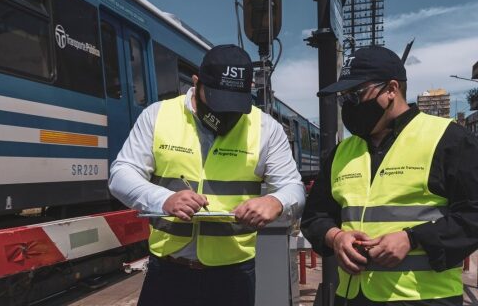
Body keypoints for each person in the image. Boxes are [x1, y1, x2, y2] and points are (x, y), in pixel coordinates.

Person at [109, 44, 305, 306]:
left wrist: (276, 202)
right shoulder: (157, 116)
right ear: (196, 83)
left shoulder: (266, 128)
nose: (225, 114)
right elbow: (121, 174)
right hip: (167, 271)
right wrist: (163, 199)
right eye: (217, 101)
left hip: (233, 275)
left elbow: (293, 186)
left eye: (234, 106)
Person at [301, 46, 478, 305]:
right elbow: (315, 216)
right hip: (351, 296)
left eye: (355, 94)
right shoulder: (343, 151)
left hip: (424, 298)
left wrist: (412, 239)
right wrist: (336, 237)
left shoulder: (447, 139)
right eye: (343, 98)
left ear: (392, 89)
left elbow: (473, 214)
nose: (348, 105)